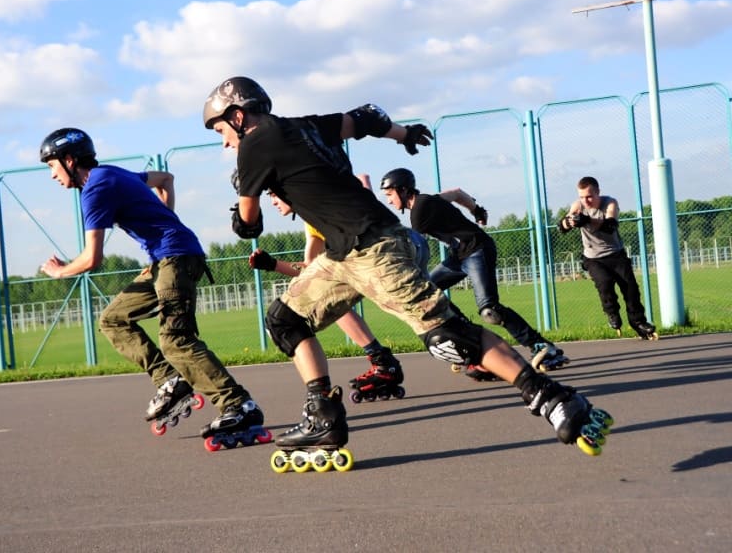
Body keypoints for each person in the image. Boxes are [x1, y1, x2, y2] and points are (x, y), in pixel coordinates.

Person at [202, 76, 613, 458]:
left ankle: (556, 398)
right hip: (343, 255)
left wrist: (240, 215)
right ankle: (322, 416)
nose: (224, 143)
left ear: (238, 116)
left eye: (222, 131)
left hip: (374, 250)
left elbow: (249, 224)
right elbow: (366, 118)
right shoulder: (307, 125)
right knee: (285, 319)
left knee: (449, 336)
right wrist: (405, 135)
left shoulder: (254, 144)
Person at [38, 127, 269, 447]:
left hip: (175, 258)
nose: (52, 175)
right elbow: (166, 178)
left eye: (51, 166)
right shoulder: (112, 173)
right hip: (168, 258)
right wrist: (165, 224)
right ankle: (172, 380)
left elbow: (93, 258)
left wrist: (60, 271)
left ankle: (238, 405)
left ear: (69, 160)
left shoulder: (94, 189)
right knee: (113, 319)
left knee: (176, 339)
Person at [378, 168, 569, 374]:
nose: (389, 201)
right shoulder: (429, 200)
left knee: (489, 310)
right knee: (431, 292)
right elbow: (457, 193)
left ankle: (542, 346)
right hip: (459, 254)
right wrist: (476, 210)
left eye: (389, 195)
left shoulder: (420, 210)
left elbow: (413, 244)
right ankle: (470, 343)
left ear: (404, 190)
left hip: (477, 249)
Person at [249, 188, 406, 402]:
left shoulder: (317, 209)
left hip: (384, 251)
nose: (273, 202)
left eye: (274, 196)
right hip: (389, 248)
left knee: (322, 303)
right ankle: (382, 360)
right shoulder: (311, 220)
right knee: (330, 300)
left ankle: (377, 365)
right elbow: (309, 270)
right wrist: (272, 264)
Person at [558, 176, 657, 340]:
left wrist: (587, 220)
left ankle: (638, 322)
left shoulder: (610, 203)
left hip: (616, 254)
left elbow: (610, 225)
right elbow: (563, 226)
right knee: (604, 283)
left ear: (598, 192)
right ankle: (612, 313)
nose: (586, 201)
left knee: (630, 288)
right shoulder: (578, 206)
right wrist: (568, 222)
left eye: (589, 196)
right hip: (593, 258)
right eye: (582, 197)